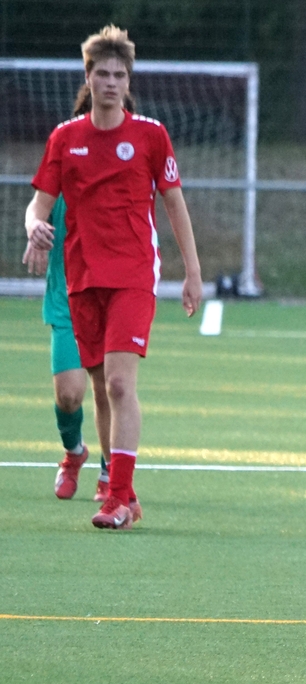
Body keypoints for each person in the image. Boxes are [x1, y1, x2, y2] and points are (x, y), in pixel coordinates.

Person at [24, 25, 202, 530]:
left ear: (128, 81)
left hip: (133, 275)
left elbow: (175, 204)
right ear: (88, 77)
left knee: (121, 384)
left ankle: (118, 498)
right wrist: (34, 226)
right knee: (101, 390)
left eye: (119, 75)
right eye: (102, 73)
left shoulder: (150, 135)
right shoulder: (65, 138)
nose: (110, 82)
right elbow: (38, 204)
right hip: (82, 279)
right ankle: (119, 488)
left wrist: (192, 271)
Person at [22, 89, 137, 503]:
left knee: (110, 386)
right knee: (69, 394)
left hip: (113, 295)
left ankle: (111, 473)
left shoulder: (128, 174)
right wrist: (35, 231)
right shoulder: (68, 156)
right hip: (67, 296)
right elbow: (37, 207)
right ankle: (74, 453)